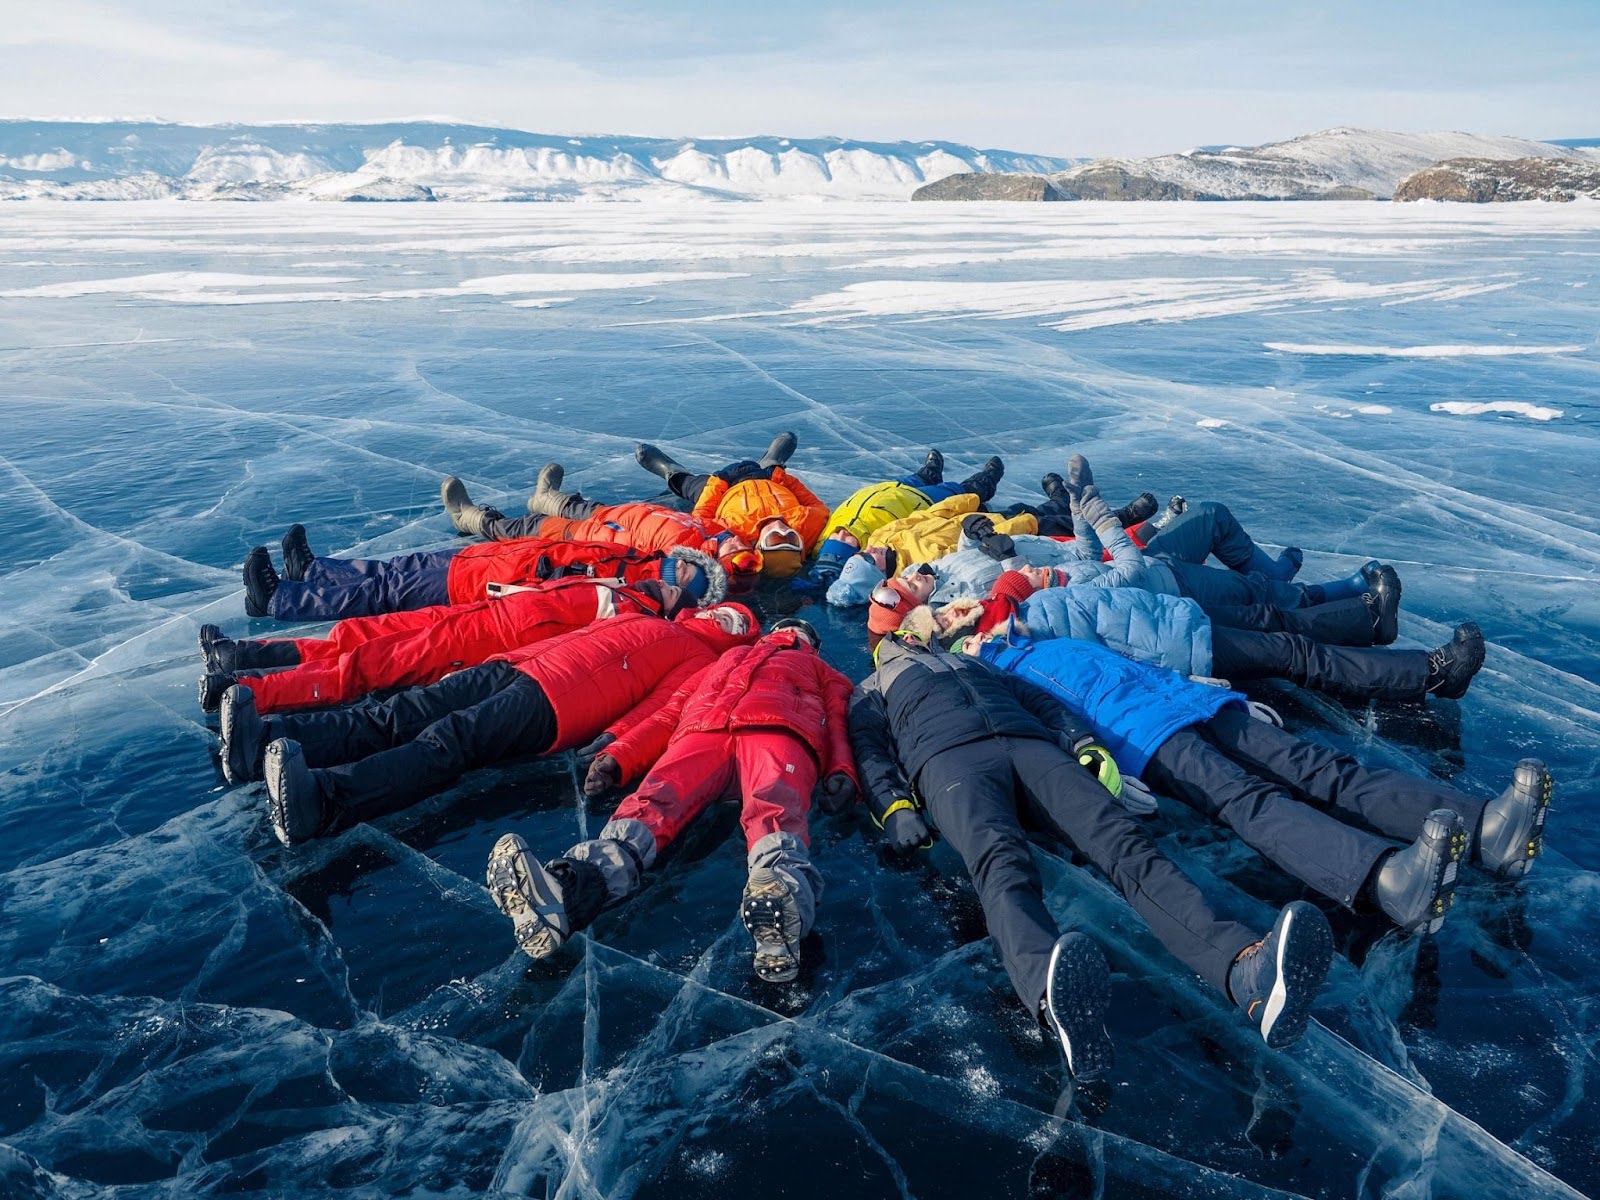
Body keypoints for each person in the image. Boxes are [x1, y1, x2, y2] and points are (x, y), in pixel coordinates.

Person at [848, 627, 1336, 1080]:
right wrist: (894, 805)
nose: (909, 634)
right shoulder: (872, 687)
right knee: (1001, 865)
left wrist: (1082, 742)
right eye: (898, 632)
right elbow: (869, 750)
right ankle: (1054, 1001)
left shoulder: (973, 663)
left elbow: (1040, 700)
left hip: (1032, 745)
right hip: (946, 762)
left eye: (913, 629)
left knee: (1124, 841)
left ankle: (1245, 971)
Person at [966, 630, 1555, 929]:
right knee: (1252, 804)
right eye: (953, 634)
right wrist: (1102, 772)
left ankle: (1487, 830)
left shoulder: (1044, 641)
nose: (964, 629)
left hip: (1192, 709)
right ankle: (1387, 879)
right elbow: (1045, 730)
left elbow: (1139, 669)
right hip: (1147, 745)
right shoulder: (995, 676)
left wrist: (1218, 694)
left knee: (1322, 767)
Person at [485, 618, 858, 983]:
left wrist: (842, 770)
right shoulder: (728, 657)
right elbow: (673, 708)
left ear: (810, 642)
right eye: (786, 627)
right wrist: (624, 755)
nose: (790, 632)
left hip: (781, 729)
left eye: (798, 630)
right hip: (703, 730)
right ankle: (567, 894)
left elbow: (839, 720)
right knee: (653, 799)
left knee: (774, 808)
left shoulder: (823, 672)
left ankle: (782, 906)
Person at [231, 604, 759, 843]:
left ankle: (322, 802)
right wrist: (507, 656)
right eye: (731, 612)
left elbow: (665, 712)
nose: (730, 621)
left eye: (741, 625)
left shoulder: (703, 663)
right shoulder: (648, 618)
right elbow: (570, 638)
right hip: (520, 666)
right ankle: (269, 744)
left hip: (556, 706)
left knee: (446, 742)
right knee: (402, 711)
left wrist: (616, 748)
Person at [920, 566, 1486, 702]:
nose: (951, 612)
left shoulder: (1010, 605)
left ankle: (1368, 619)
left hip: (1179, 616)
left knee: (1283, 627)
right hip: (1182, 647)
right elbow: (1105, 669)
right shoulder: (1017, 642)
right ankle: (1432, 673)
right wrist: (1186, 680)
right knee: (1296, 656)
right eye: (943, 622)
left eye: (943, 609)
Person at [197, 576, 684, 715]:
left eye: (679, 586)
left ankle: (249, 692)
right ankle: (242, 655)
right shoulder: (624, 586)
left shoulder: (634, 618)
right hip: (479, 615)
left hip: (483, 641)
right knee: (359, 635)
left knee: (366, 666)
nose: (671, 580)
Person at [239, 523, 725, 621]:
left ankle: (279, 600)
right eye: (688, 559)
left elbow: (563, 591)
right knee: (393, 569)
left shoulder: (630, 587)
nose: (682, 562)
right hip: (484, 559)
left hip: (480, 585)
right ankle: (313, 571)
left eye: (688, 573)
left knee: (385, 592)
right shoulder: (637, 557)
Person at [440, 467, 763, 594]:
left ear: (720, 569)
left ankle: (470, 517)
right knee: (576, 504)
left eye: (740, 559)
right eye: (750, 552)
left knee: (525, 528)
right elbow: (704, 509)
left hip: (589, 538)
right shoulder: (715, 532)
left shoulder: (680, 559)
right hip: (615, 514)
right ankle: (545, 497)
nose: (741, 545)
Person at [632, 432, 828, 578]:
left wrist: (720, 481)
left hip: (726, 490)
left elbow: (703, 519)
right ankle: (772, 461)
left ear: (759, 546)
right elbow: (813, 502)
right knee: (770, 465)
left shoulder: (736, 535)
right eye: (792, 537)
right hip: (769, 479)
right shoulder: (809, 524)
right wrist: (779, 476)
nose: (781, 528)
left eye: (775, 538)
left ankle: (672, 471)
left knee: (689, 485)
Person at [805, 449, 1005, 588]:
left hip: (887, 490)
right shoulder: (875, 543)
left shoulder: (819, 542)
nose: (840, 534)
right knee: (961, 491)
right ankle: (986, 481)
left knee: (918, 479)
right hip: (918, 502)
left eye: (834, 539)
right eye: (846, 543)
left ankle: (930, 473)